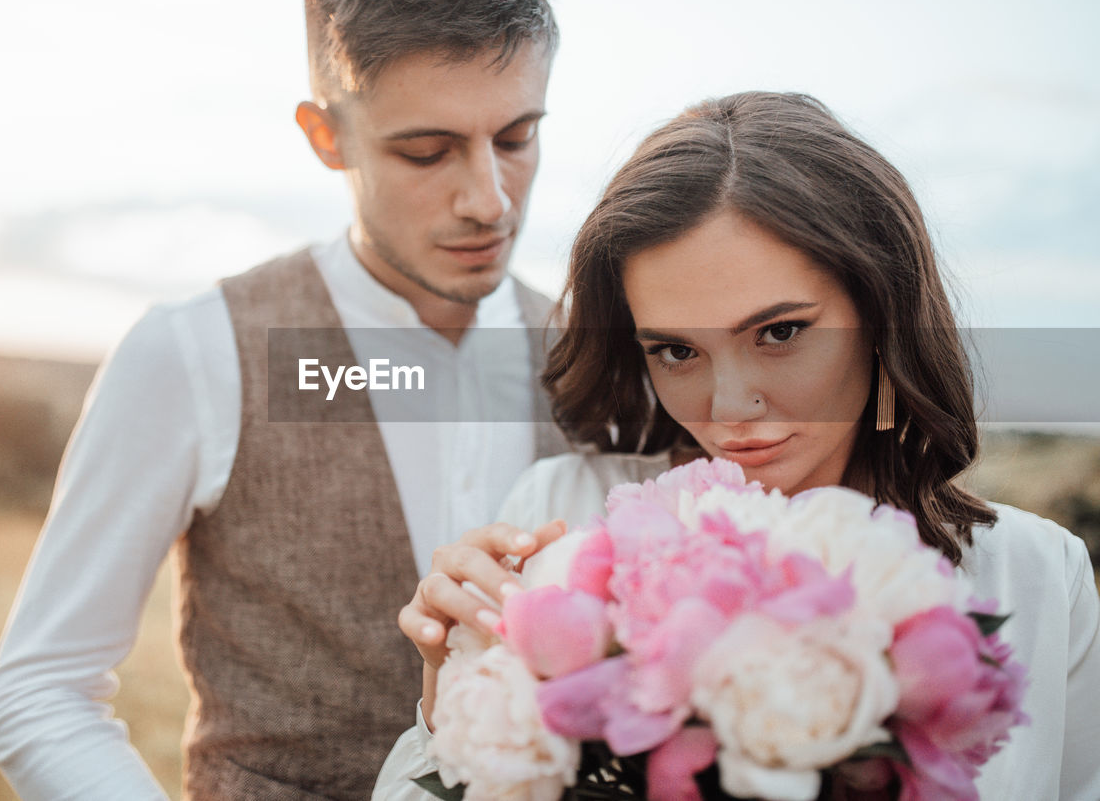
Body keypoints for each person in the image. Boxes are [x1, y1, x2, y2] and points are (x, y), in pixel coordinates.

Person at [375, 92, 1100, 800]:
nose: (728, 407)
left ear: (883, 312)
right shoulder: (558, 520)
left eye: (780, 332)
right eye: (675, 350)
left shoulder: (1035, 576)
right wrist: (451, 711)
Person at [0, 0, 573, 798]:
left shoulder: (599, 353)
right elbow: (39, 690)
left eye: (516, 137)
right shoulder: (196, 350)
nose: (490, 200)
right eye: (426, 151)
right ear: (326, 135)